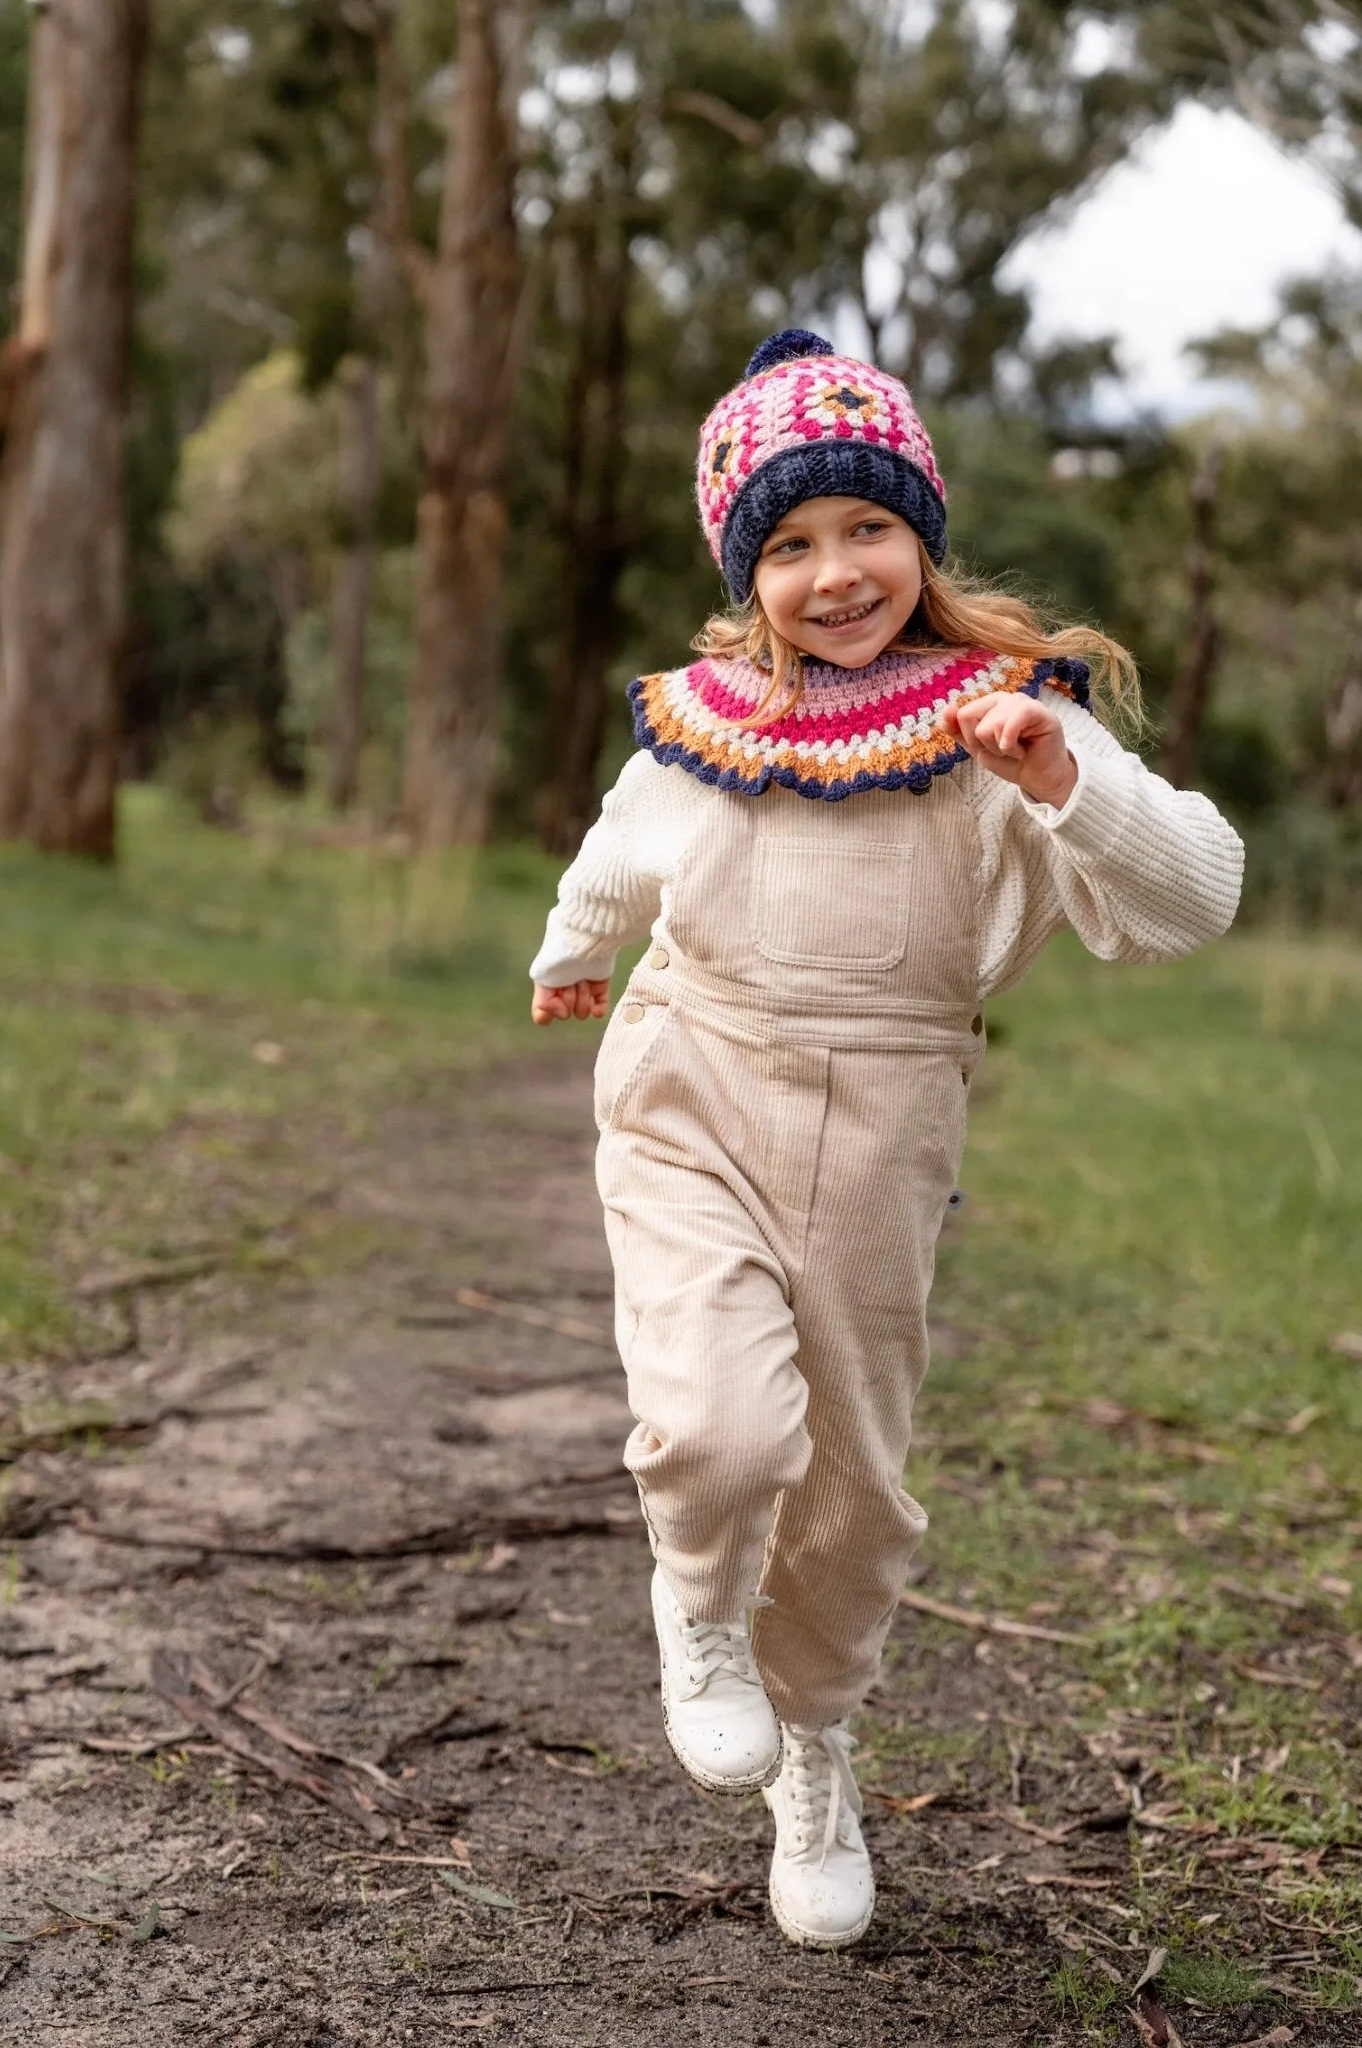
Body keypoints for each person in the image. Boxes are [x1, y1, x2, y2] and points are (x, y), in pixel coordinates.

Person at [528, 329, 1243, 1949]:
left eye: (863, 527)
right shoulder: (705, 720)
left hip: (889, 1115)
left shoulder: (1005, 724)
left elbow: (1199, 898)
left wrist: (1067, 780)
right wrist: (573, 954)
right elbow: (620, 850)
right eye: (787, 544)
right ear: (745, 569)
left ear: (919, 532)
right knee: (720, 1428)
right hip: (690, 1079)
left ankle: (818, 1748)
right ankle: (697, 1606)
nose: (833, 572)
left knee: (850, 1483)